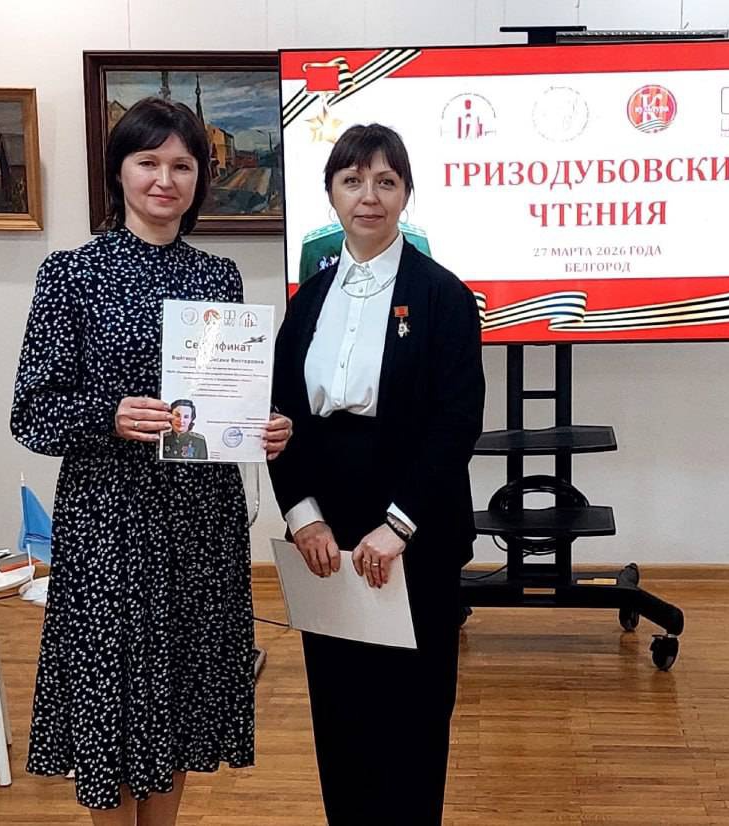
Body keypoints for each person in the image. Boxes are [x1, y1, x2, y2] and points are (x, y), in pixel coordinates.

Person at [11, 96, 292, 826]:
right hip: (110, 519)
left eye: (182, 165)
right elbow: (30, 413)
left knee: (182, 691)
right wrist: (107, 416)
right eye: (148, 163)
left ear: (201, 178)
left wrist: (262, 426)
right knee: (113, 691)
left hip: (201, 517)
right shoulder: (71, 274)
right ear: (118, 172)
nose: (165, 180)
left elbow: (226, 398)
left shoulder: (219, 277)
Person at [268, 123, 485, 825]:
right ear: (331, 193)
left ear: (406, 194)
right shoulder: (307, 300)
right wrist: (303, 517)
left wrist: (399, 525)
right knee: (341, 712)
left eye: (386, 181)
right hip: (325, 534)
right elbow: (281, 417)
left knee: (413, 716)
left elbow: (457, 422)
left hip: (413, 527)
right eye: (353, 180)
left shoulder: (443, 296)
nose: (369, 196)